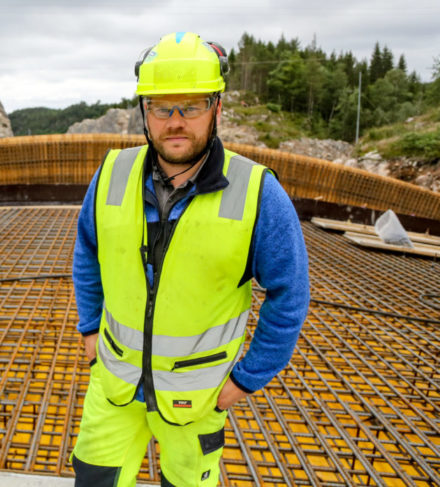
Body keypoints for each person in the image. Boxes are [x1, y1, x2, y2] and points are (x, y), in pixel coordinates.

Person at [70, 32, 310, 487]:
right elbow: (88, 250)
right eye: (162, 107)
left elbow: (290, 295)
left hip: (197, 399)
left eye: (192, 106)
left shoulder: (258, 193)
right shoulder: (112, 175)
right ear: (144, 111)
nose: (175, 121)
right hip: (114, 386)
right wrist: (89, 330)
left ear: (216, 109)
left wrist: (246, 380)